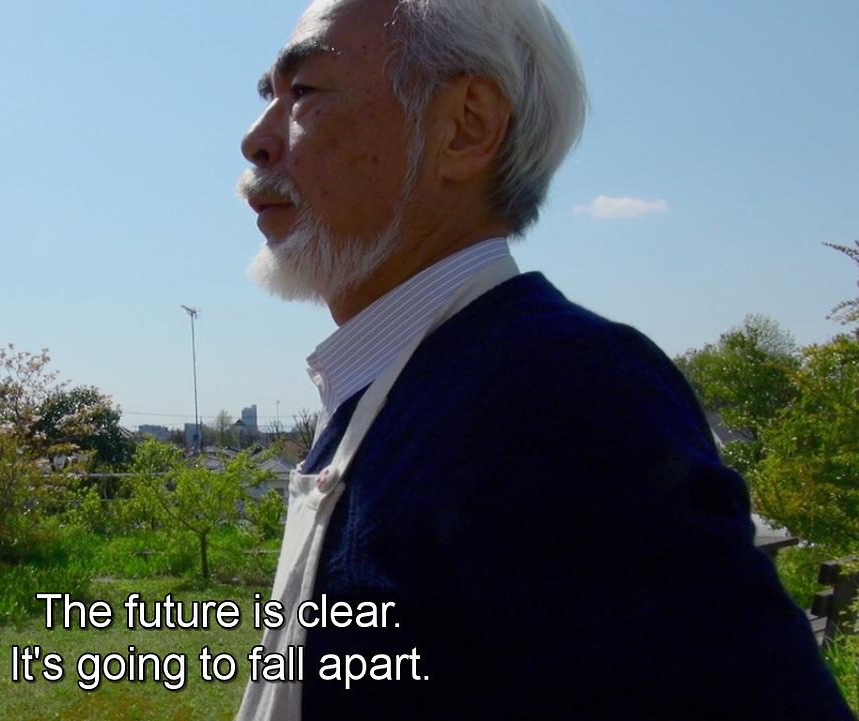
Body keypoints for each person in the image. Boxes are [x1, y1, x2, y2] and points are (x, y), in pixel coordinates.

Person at [232, 1, 855, 719]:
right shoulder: (407, 383)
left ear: (465, 127)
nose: (256, 139)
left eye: (304, 91)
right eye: (267, 95)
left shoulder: (565, 397)